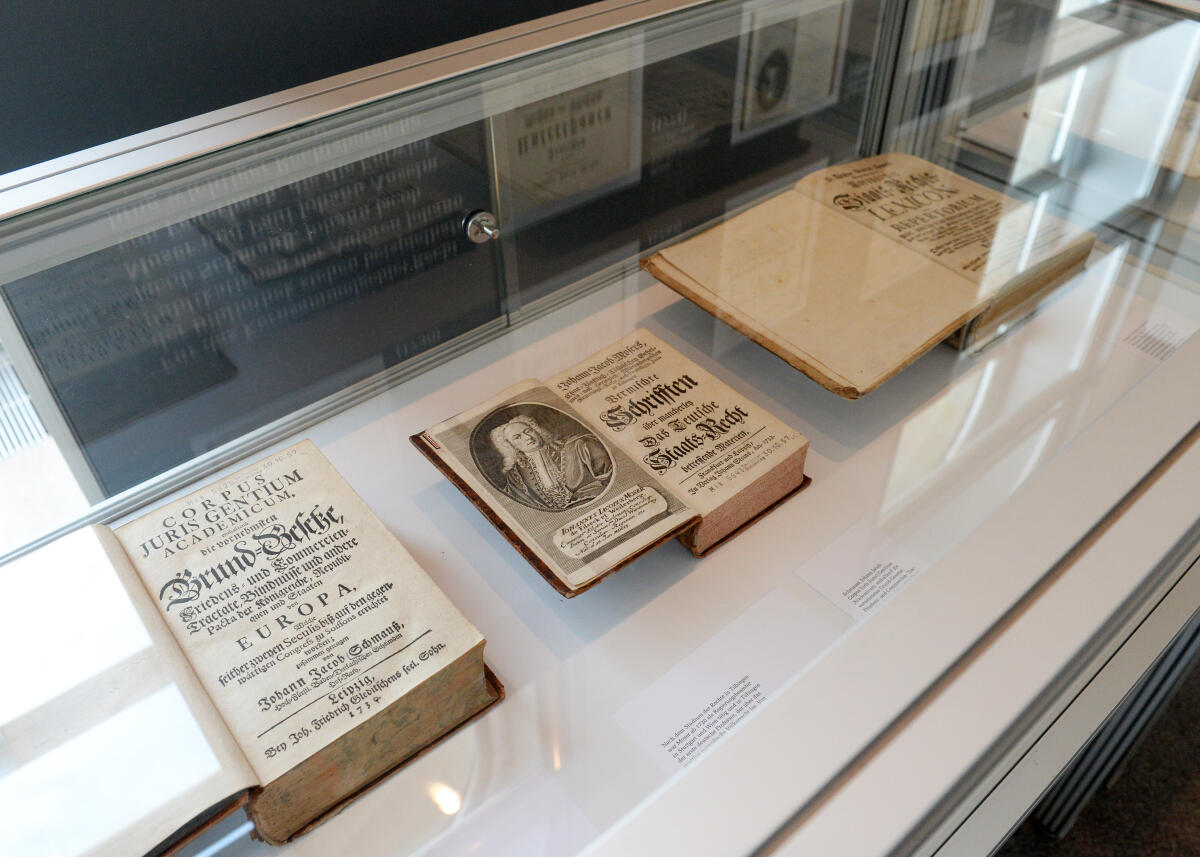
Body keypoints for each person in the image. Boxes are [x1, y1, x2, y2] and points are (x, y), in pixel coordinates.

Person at [489, 415, 612, 511]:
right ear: (510, 446)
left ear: (536, 430)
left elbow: (608, 476)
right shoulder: (516, 476)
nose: (528, 437)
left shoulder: (576, 445)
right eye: (517, 437)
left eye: (528, 431)